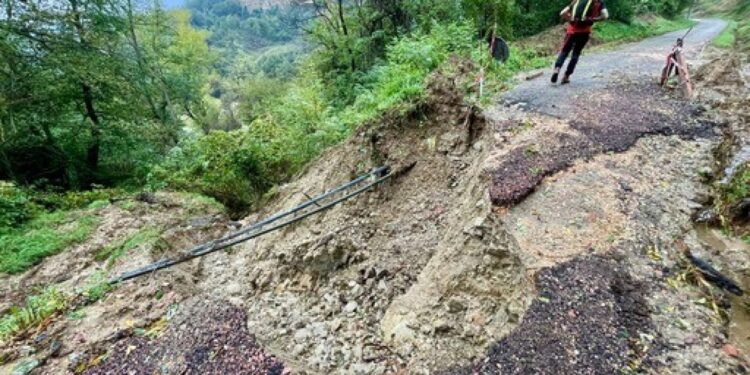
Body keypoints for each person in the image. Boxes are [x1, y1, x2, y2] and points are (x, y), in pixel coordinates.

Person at [551, 0, 609, 84]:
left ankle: (557, 69)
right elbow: (605, 15)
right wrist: (594, 19)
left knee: (564, 51)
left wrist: (571, 20)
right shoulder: (599, 2)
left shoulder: (577, 1)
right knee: (576, 53)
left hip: (572, 31)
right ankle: (566, 76)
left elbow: (562, 13)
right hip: (585, 32)